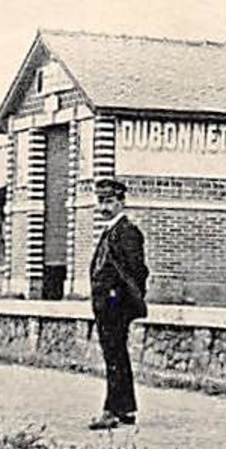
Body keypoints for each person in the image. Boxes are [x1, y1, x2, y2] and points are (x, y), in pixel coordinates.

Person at [87, 177, 148, 430]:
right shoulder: (110, 231)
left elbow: (138, 270)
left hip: (115, 305)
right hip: (105, 305)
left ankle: (112, 410)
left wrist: (119, 296)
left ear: (121, 202)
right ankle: (126, 409)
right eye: (101, 201)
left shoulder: (127, 232)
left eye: (110, 201)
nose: (104, 207)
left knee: (114, 357)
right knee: (116, 355)